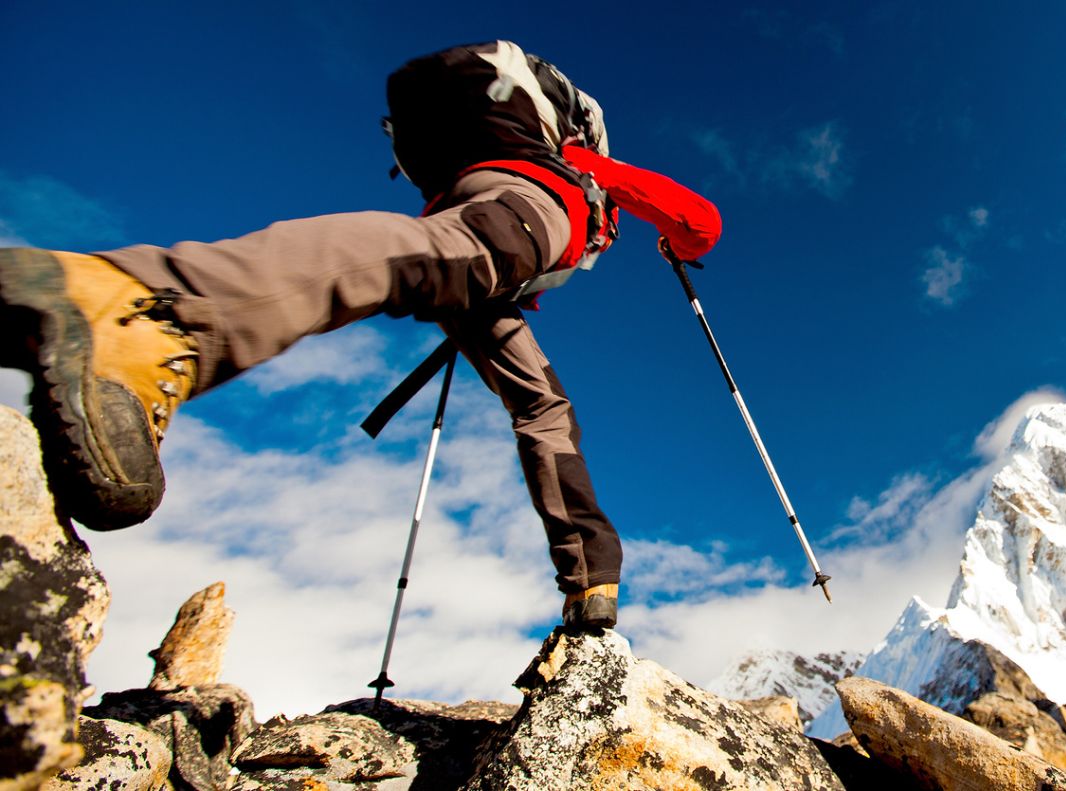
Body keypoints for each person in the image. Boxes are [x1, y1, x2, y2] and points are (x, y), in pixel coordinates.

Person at [0, 40, 721, 630]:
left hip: (479, 236)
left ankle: (591, 580)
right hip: (521, 212)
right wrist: (679, 244)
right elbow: (698, 217)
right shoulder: (577, 167)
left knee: (541, 403)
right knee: (447, 259)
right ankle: (151, 310)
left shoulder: (488, 162)